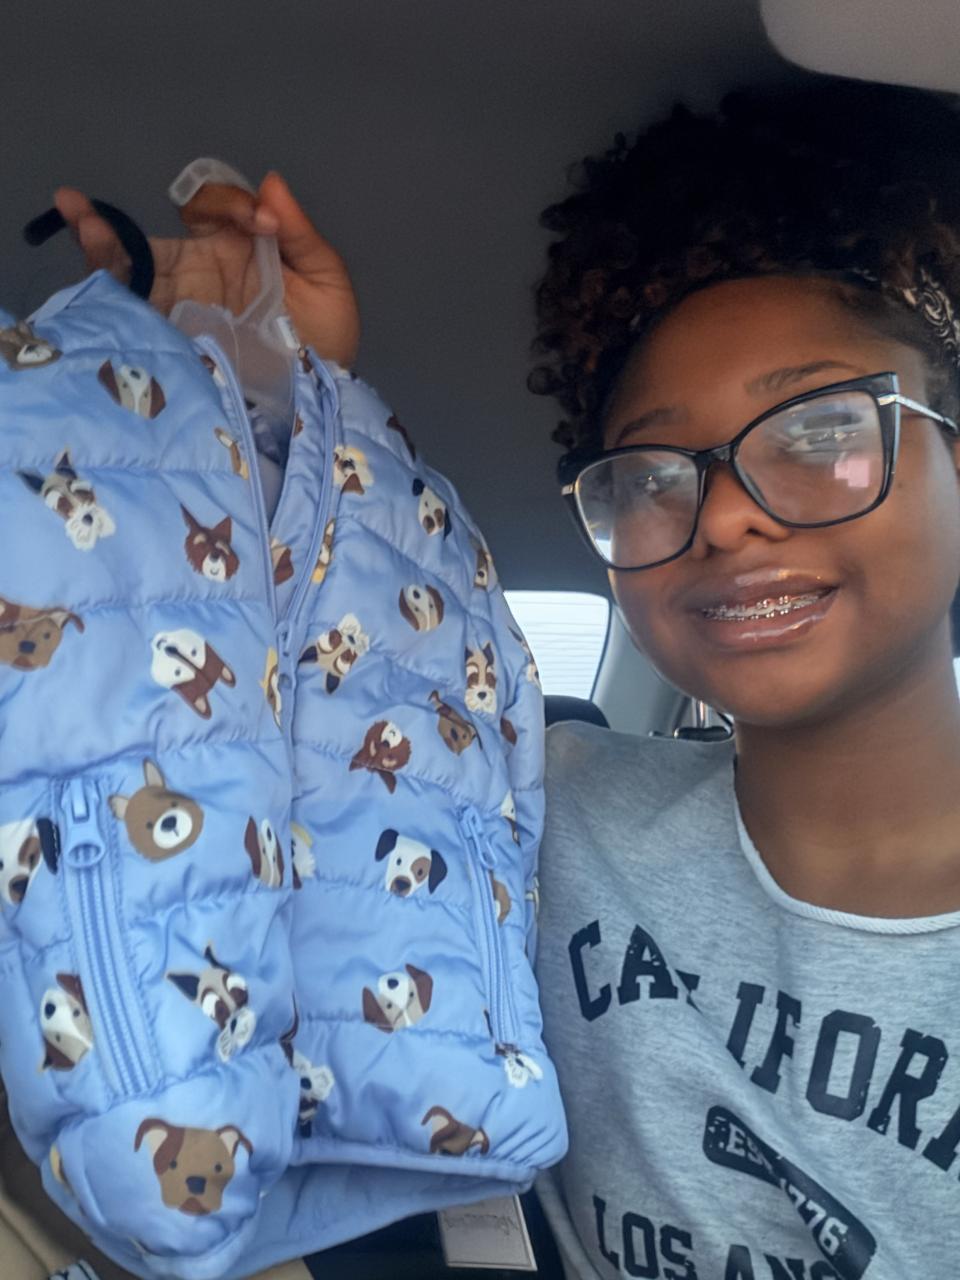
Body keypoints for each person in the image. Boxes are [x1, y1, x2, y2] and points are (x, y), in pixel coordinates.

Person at [59, 74, 960, 1277]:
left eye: (818, 432)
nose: (725, 516)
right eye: (652, 473)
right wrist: (270, 403)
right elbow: (261, 740)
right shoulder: (534, 813)